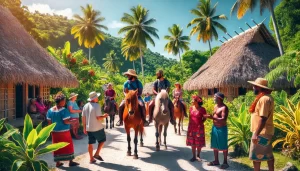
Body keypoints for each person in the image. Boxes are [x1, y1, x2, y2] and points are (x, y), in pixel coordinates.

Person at [248, 78, 275, 171]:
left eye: (254, 86)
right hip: (264, 131)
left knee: (256, 157)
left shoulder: (264, 99)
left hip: (261, 132)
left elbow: (263, 118)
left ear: (259, 87)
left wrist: (256, 134)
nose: (253, 88)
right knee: (268, 154)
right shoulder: (266, 97)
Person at [46, 92, 79, 167]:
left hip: (54, 132)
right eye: (64, 101)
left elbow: (49, 123)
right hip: (64, 132)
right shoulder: (64, 110)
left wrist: (51, 131)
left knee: (57, 147)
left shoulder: (50, 110)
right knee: (68, 145)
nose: (65, 102)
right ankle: (70, 161)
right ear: (60, 101)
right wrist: (73, 121)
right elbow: (66, 121)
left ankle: (58, 162)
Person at [204, 92, 229, 169]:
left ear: (219, 98)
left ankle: (225, 162)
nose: (214, 98)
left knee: (223, 144)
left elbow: (223, 119)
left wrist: (213, 118)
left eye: (215, 97)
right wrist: (208, 116)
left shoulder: (224, 108)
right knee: (214, 144)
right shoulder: (215, 106)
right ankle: (216, 160)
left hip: (222, 128)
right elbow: (213, 115)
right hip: (214, 127)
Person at [82, 91, 109, 164]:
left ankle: (91, 159)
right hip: (97, 127)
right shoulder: (97, 106)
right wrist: (104, 116)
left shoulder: (85, 105)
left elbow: (83, 118)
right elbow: (98, 118)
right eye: (97, 97)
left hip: (89, 128)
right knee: (102, 140)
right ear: (94, 98)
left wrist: (84, 127)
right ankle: (96, 154)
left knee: (90, 143)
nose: (97, 98)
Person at [186, 95, 206, 162]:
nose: (192, 101)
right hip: (191, 127)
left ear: (197, 101)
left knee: (198, 142)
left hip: (199, 128)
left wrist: (200, 123)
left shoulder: (202, 109)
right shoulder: (191, 108)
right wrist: (189, 126)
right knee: (192, 142)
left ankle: (198, 156)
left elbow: (204, 118)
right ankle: (194, 156)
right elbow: (190, 117)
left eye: (193, 100)